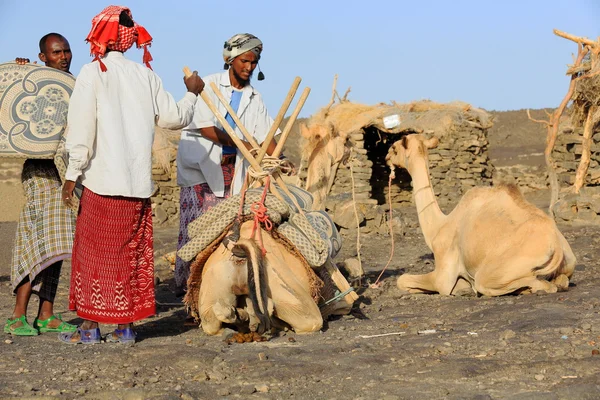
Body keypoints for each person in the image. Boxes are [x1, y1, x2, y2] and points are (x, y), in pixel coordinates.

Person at [59, 5, 204, 345]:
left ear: (99, 37)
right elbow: (174, 118)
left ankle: (91, 328)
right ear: (128, 38)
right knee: (129, 254)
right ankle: (125, 328)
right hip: (137, 187)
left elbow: (81, 130)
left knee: (94, 256)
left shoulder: (93, 73)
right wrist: (191, 91)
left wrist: (71, 174)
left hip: (101, 184)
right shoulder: (146, 76)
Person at [174, 33, 294, 293]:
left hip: (234, 171)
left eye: (254, 62)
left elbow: (267, 136)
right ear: (230, 59)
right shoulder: (207, 86)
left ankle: (220, 289)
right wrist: (245, 144)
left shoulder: (254, 97)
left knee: (226, 232)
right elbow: (207, 128)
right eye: (244, 61)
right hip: (202, 170)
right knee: (198, 232)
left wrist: (280, 158)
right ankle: (189, 293)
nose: (249, 67)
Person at [4, 33, 78, 336]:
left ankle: (46, 313)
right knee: (35, 241)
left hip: (66, 174)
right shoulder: (36, 86)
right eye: (56, 53)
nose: (63, 57)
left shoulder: (72, 88)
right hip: (40, 171)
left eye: (66, 51)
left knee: (58, 246)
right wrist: (23, 72)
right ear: (43, 57)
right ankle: (17, 316)